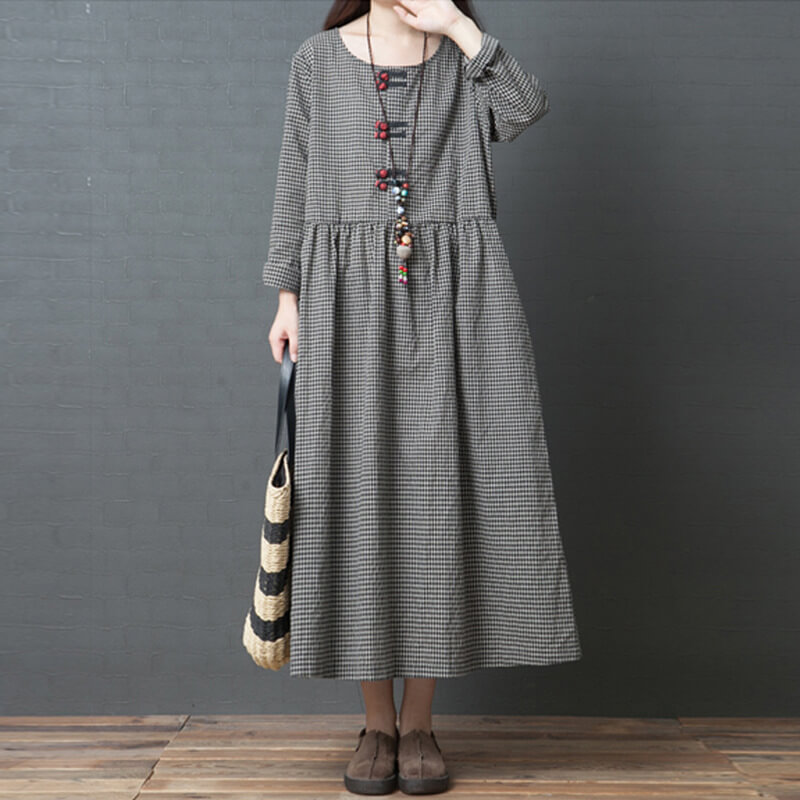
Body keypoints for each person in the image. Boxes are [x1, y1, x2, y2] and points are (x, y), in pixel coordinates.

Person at [261, 0, 582, 794]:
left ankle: (420, 724)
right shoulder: (315, 61)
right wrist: (287, 296)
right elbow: (295, 174)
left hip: (458, 297)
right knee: (356, 497)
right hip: (343, 300)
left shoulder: (464, 61)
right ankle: (375, 723)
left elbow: (526, 108)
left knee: (442, 500)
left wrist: (460, 28)